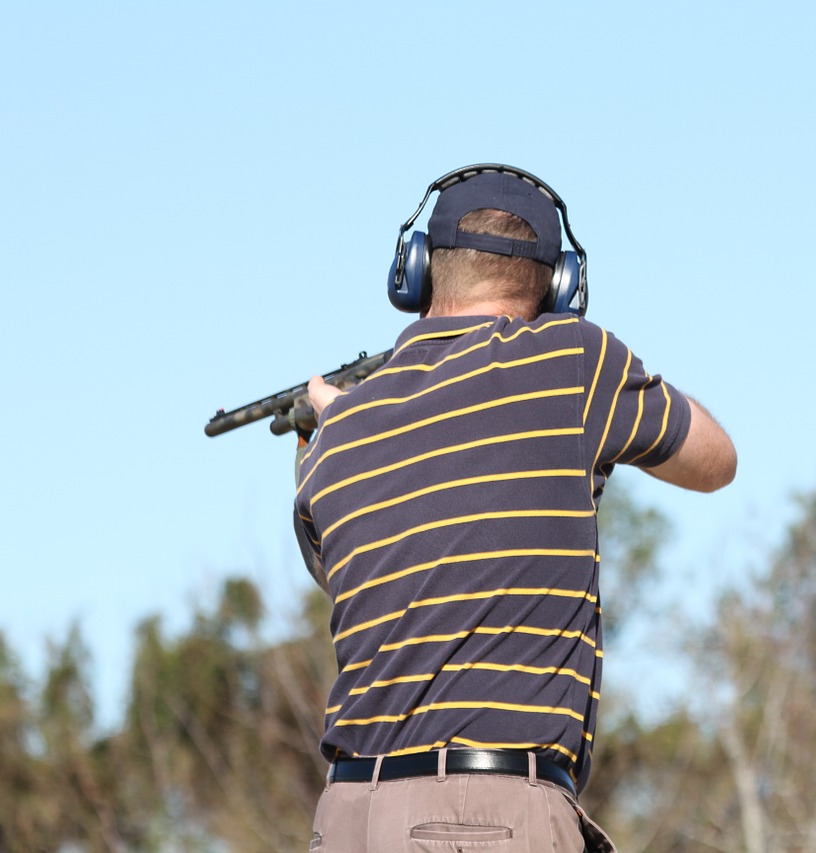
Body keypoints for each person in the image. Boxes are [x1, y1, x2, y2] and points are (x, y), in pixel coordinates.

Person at [294, 165, 736, 852]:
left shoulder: (338, 434)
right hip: (488, 817)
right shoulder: (574, 361)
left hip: (345, 817)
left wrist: (325, 426)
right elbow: (716, 460)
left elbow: (381, 584)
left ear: (416, 272)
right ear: (561, 287)